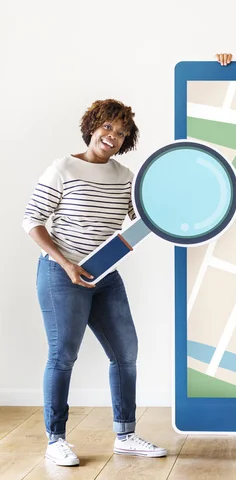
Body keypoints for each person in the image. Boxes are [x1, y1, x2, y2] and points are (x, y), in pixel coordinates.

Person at [22, 99, 167, 466]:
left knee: (125, 354)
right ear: (92, 126)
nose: (112, 136)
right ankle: (56, 440)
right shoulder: (63, 168)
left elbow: (148, 217)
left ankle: (126, 434)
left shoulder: (125, 176)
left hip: (104, 275)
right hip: (61, 273)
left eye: (121, 133)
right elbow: (32, 220)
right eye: (107, 128)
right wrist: (67, 264)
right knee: (63, 355)